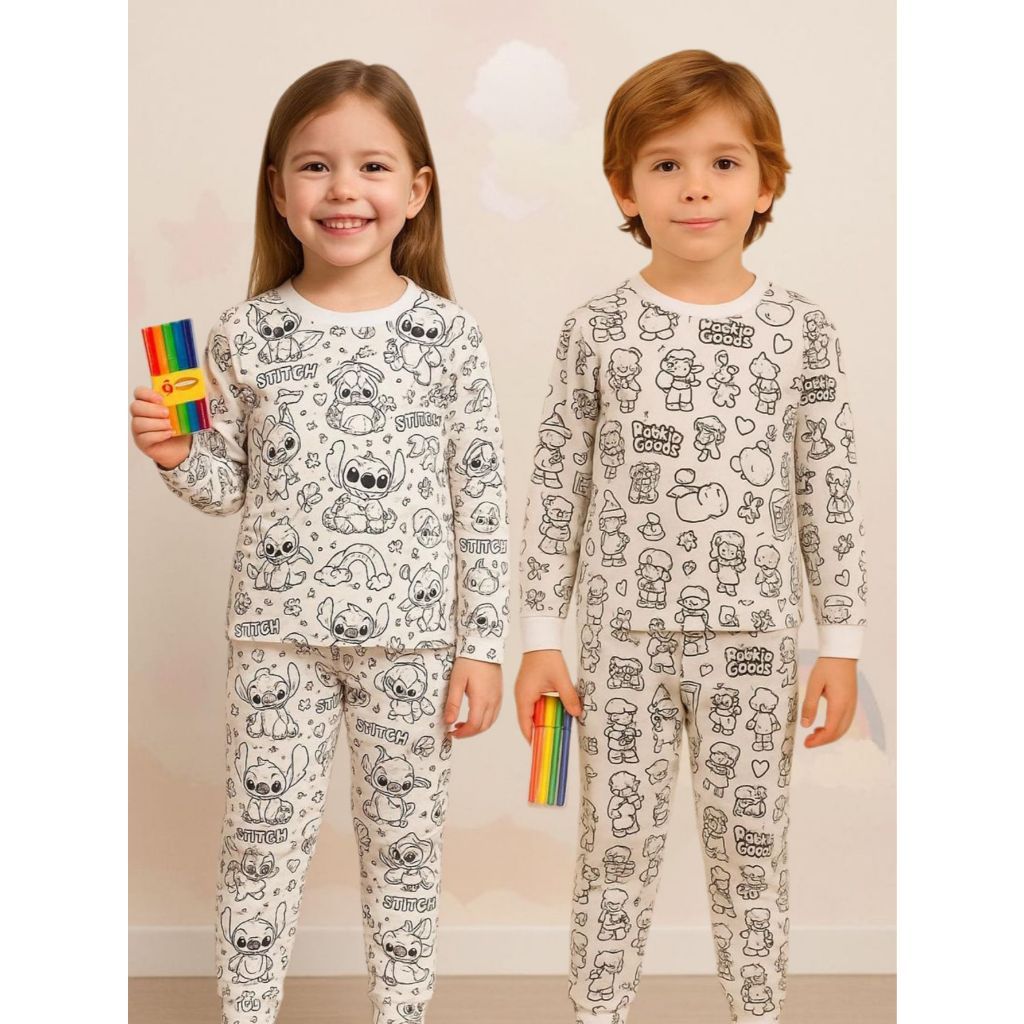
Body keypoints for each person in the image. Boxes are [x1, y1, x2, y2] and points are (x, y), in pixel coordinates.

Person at [130, 59, 509, 1024]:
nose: (344, 189)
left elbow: (481, 501)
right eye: (315, 167)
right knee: (261, 844)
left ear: (416, 191)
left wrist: (482, 647)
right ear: (279, 191)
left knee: (405, 851)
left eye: (372, 167)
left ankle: (402, 1014)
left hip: (414, 645)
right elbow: (229, 487)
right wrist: (176, 452)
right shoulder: (244, 334)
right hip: (276, 641)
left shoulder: (449, 337)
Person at [514, 49, 868, 1024]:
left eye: (723, 163)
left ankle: (758, 1010)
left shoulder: (801, 331)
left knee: (751, 851)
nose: (696, 188)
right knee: (613, 849)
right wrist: (539, 639)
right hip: (619, 645)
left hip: (755, 643)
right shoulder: (596, 330)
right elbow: (556, 490)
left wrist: (841, 645)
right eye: (666, 164)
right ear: (624, 188)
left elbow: (828, 492)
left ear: (766, 183)